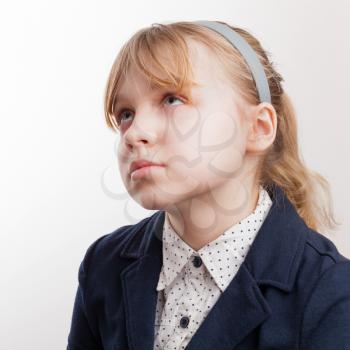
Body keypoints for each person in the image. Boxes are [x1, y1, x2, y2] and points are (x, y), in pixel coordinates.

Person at [67, 20, 350, 350]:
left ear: (258, 128)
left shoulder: (331, 292)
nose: (133, 132)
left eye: (172, 99)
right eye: (125, 113)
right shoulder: (104, 265)